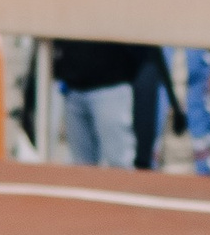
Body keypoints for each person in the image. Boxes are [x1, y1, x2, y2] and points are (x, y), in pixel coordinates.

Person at [52, 39, 150, 169]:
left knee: (119, 163)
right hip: (74, 87)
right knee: (81, 166)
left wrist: (125, 70)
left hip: (111, 86)